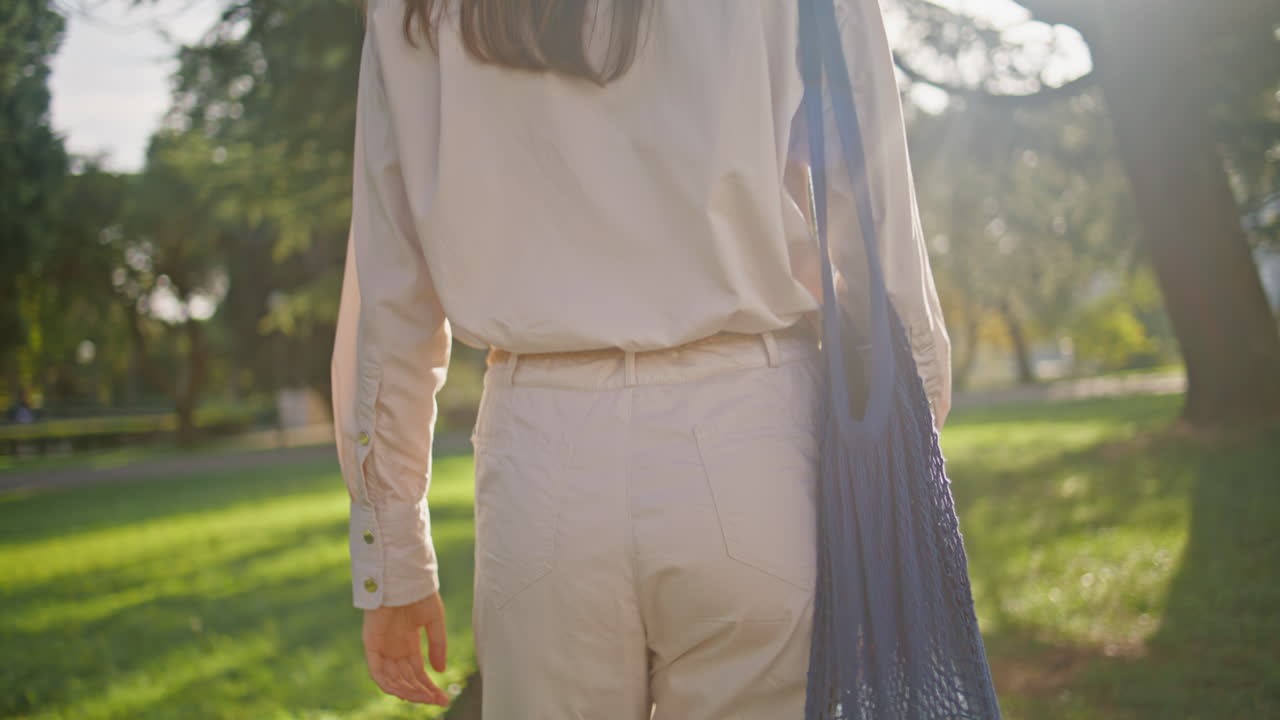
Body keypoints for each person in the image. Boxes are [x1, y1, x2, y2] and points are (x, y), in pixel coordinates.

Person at [330, 0, 951, 716]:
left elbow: (390, 286)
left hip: (539, 457)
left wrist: (392, 552)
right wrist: (906, 480)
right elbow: (876, 219)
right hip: (756, 439)